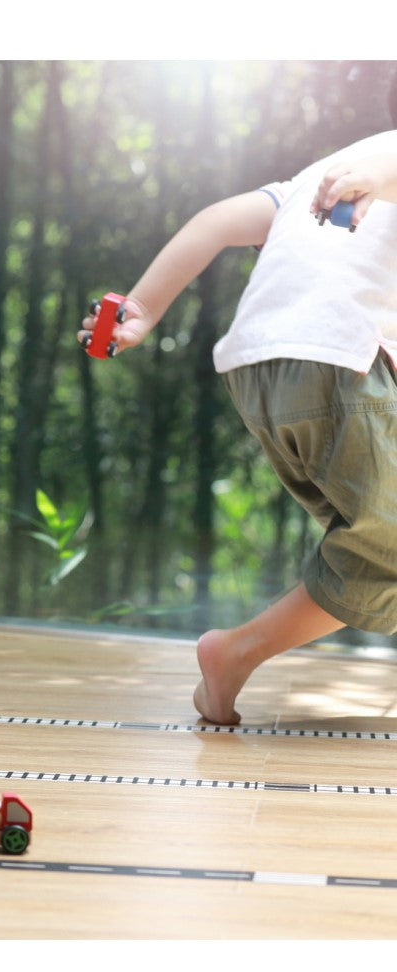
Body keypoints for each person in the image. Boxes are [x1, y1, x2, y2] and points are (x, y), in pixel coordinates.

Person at [80, 128, 397, 725]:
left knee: (370, 540)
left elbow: (216, 223)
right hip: (337, 365)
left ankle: (234, 657)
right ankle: (236, 652)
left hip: (260, 373)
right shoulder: (366, 167)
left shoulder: (303, 183)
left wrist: (142, 309)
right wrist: (372, 179)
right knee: (386, 550)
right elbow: (390, 158)